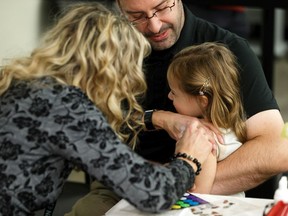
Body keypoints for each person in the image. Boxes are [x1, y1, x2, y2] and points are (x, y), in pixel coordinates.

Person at [68, 0, 288, 215]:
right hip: (122, 183)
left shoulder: (225, 50)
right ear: (119, 8)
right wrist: (157, 118)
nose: (154, 26)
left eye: (162, 8)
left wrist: (168, 185)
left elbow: (277, 148)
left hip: (197, 191)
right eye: (137, 16)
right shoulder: (107, 50)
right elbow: (78, 125)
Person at [0, 2, 214, 215]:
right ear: (110, 69)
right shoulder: (69, 108)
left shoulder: (21, 82)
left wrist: (155, 118)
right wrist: (189, 158)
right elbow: (155, 194)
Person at [167, 42, 247, 195]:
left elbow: (198, 194)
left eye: (174, 93)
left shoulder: (204, 140)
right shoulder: (233, 122)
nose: (169, 96)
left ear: (202, 101)